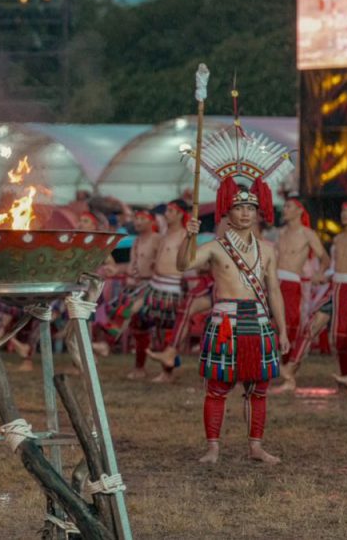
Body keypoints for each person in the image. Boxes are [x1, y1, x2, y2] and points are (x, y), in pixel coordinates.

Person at [178, 185, 289, 465]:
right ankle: (213, 448)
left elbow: (274, 290)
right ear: (227, 214)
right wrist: (188, 236)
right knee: (217, 387)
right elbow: (184, 264)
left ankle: (256, 447)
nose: (245, 214)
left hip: (259, 320)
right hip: (225, 321)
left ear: (257, 213)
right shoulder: (215, 248)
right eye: (239, 208)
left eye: (250, 208)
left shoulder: (267, 249)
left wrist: (283, 329)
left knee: (259, 389)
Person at [282, 202, 347, 391]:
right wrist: (323, 276)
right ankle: (291, 369)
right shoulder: (338, 239)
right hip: (335, 289)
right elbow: (334, 266)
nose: (344, 214)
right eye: (343, 211)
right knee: (312, 326)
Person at [273, 198, 329, 368]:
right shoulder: (281, 233)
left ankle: (288, 364)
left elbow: (324, 257)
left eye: (288, 206)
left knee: (291, 324)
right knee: (273, 322)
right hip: (276, 281)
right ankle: (277, 363)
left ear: (299, 210)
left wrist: (319, 273)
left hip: (292, 281)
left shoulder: (307, 234)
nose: (284, 210)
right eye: (284, 206)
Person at [139, 202, 189, 383]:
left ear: (180, 214)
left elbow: (187, 263)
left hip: (172, 288)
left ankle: (169, 372)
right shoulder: (165, 234)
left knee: (169, 331)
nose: (167, 214)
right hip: (156, 285)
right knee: (158, 331)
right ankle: (166, 370)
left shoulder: (185, 236)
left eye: (170, 211)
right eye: (167, 211)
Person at [122, 210, 159, 379]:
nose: (137, 221)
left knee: (161, 329)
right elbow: (132, 265)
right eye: (136, 218)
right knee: (138, 328)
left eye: (142, 218)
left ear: (151, 221)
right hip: (138, 286)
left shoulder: (158, 239)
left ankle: (167, 369)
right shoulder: (136, 241)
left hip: (155, 286)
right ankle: (140, 367)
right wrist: (127, 273)